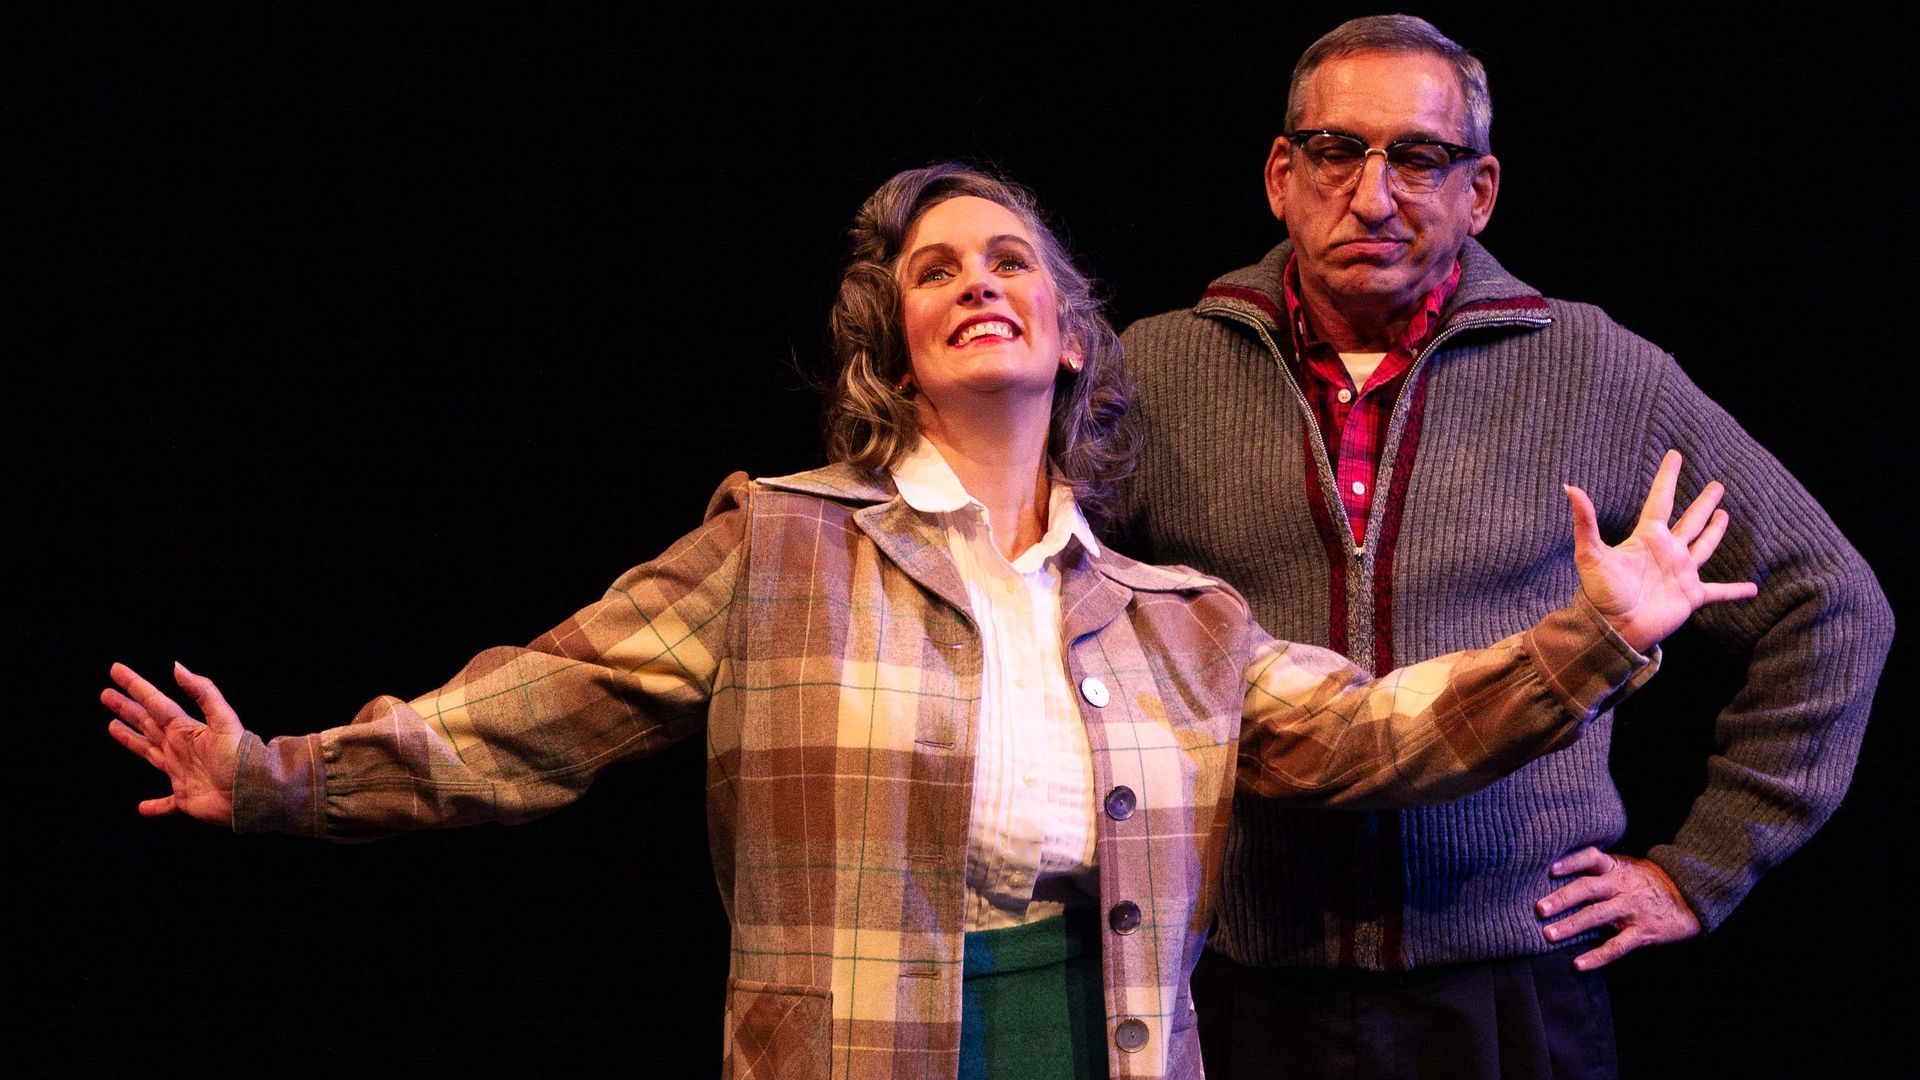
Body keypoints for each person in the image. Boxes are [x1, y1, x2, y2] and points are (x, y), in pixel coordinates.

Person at [103, 164, 1751, 1080]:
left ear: (1072, 337)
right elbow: (531, 715)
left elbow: (1378, 733)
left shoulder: (1174, 620)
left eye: (1012, 262)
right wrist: (283, 779)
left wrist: (1593, 639)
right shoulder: (781, 544)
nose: (979, 283)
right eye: (937, 268)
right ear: (893, 340)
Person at [1111, 15, 1896, 1080]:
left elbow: (1830, 603)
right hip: (1244, 987)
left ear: (1478, 191)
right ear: (1281, 177)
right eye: (1338, 152)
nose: (1373, 196)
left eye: (1418, 157)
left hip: (1511, 993)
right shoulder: (1154, 372)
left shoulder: (1594, 369)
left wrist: (1701, 868)